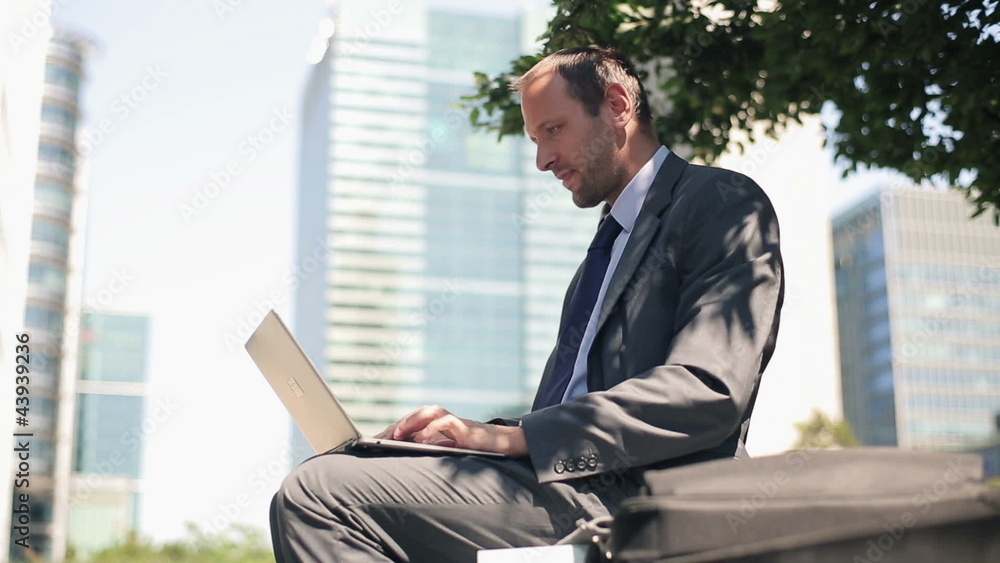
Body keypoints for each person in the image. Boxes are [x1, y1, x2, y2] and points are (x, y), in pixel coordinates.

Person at [269, 46, 783, 562]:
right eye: (536, 140)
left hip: (643, 499)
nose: (543, 160)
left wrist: (520, 439)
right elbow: (563, 413)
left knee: (320, 495)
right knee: (359, 473)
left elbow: (708, 388)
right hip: (567, 488)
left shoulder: (719, 202)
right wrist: (474, 436)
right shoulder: (599, 260)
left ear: (618, 105)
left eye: (553, 130)